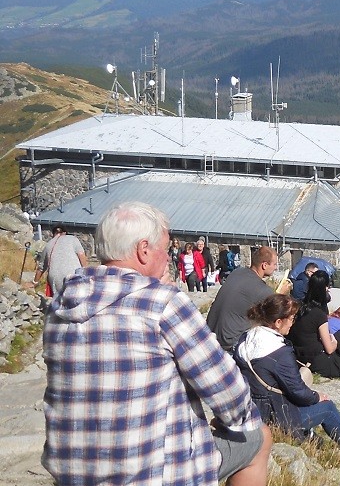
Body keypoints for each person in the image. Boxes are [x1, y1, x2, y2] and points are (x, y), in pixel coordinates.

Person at [42, 201, 271, 486]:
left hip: (73, 473)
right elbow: (228, 390)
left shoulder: (60, 306)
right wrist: (239, 420)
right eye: (165, 248)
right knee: (258, 437)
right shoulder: (162, 305)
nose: (169, 257)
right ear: (144, 250)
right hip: (152, 475)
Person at [235, 294, 340, 461]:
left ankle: (309, 435)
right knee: (327, 408)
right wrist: (317, 396)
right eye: (290, 318)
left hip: (250, 408)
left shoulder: (246, 338)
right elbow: (298, 392)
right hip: (273, 416)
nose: (292, 322)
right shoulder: (278, 353)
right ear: (278, 322)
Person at [206, 246, 278, 351]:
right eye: (274, 264)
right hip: (228, 343)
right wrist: (282, 292)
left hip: (210, 333)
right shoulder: (262, 289)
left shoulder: (237, 272)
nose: (276, 268)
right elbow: (276, 307)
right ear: (264, 265)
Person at [33, 225, 87, 298]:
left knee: (60, 302)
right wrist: (85, 272)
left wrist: (35, 282)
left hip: (55, 278)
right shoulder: (73, 239)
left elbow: (41, 268)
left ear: (53, 234)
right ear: (65, 233)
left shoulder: (48, 245)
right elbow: (81, 255)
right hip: (73, 274)